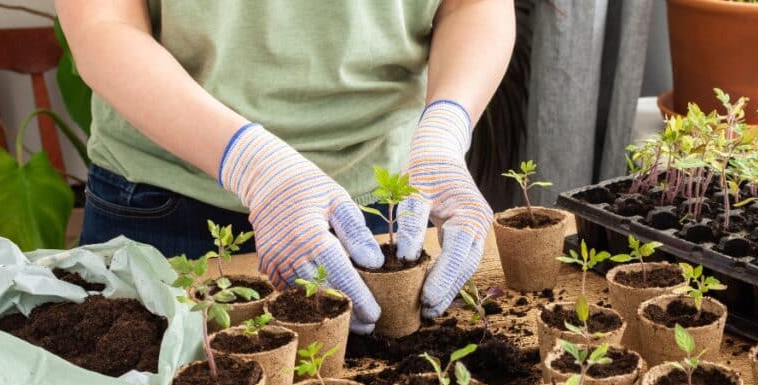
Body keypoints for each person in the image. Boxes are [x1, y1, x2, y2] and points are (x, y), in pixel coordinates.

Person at [55, 0, 515, 334]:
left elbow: (472, 6)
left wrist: (444, 129)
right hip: (168, 204)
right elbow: (103, 23)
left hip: (379, 212)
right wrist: (253, 165)